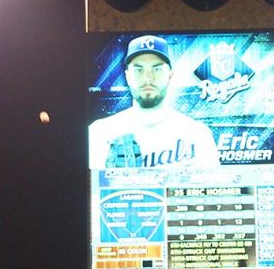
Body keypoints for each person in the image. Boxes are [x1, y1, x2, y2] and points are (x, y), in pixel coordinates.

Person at [88, 35, 221, 170]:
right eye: (138, 69)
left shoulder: (198, 134)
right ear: (127, 76)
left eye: (157, 68)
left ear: (170, 74)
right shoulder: (99, 133)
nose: (148, 78)